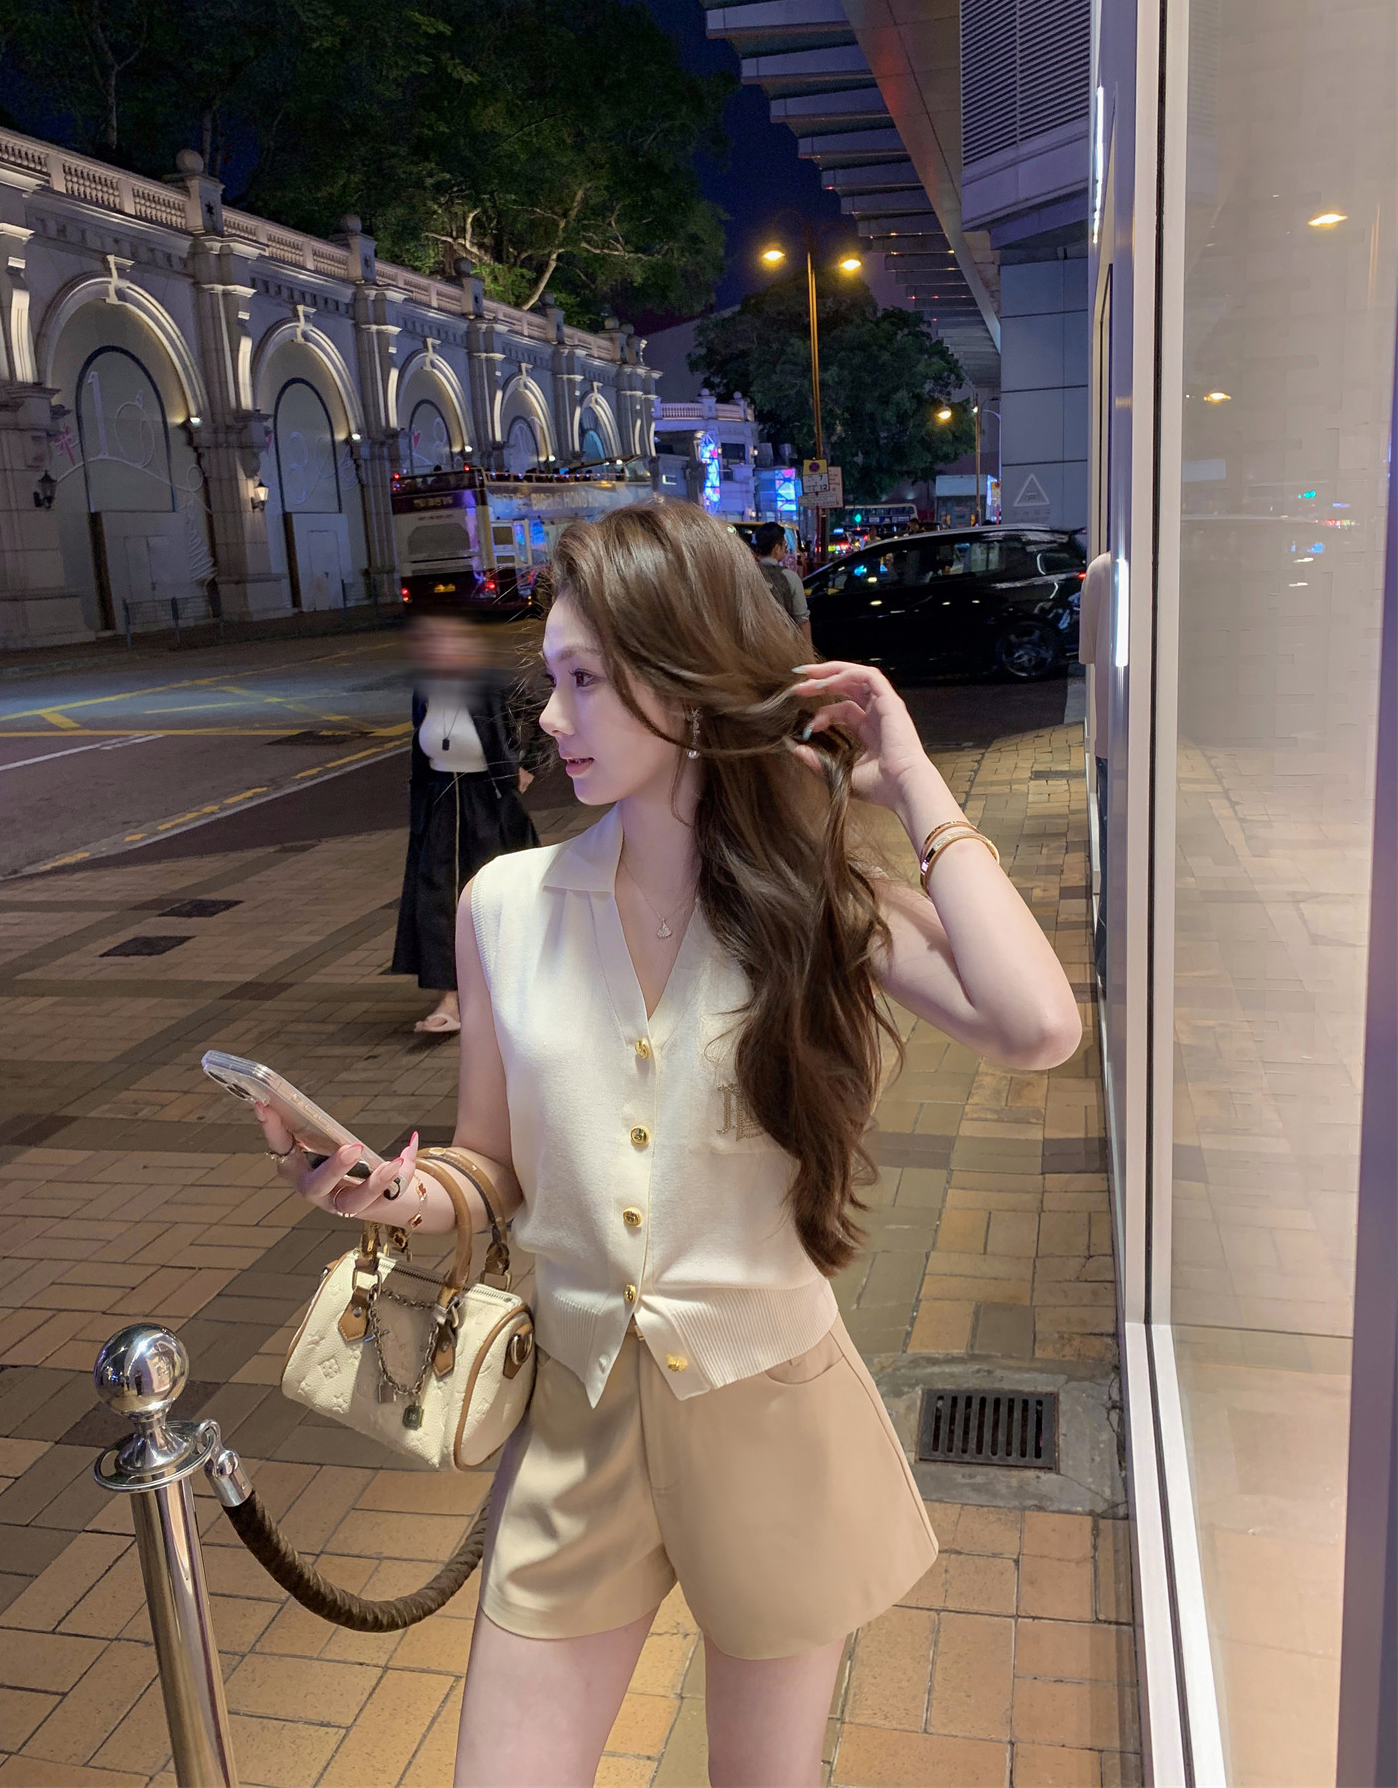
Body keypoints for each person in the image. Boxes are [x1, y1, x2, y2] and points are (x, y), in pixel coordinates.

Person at [256, 503, 1081, 1787]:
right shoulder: (504, 907)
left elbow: (1036, 1027)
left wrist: (915, 780)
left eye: (587, 680)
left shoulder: (816, 904)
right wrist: (395, 1193)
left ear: (687, 681)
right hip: (573, 1421)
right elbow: (488, 1167)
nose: (550, 717)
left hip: (773, 1415)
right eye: (552, 679)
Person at [392, 613, 541, 1035]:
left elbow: (543, 718)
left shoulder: (492, 683)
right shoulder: (425, 688)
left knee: (494, 897)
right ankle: (450, 1000)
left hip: (487, 801)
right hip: (441, 800)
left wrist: (528, 767)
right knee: (438, 899)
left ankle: (510, 989)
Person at [1077, 550, 1112, 988]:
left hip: (1112, 743)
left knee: (1115, 856)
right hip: (1151, 747)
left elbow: (1088, 652)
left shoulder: (1103, 570)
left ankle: (1109, 961)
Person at [753, 520, 811, 642]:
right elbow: (802, 620)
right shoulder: (789, 577)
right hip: (783, 646)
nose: (785, 549)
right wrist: (808, 650)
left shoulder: (746, 575)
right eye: (784, 545)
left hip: (753, 645)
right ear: (777, 548)